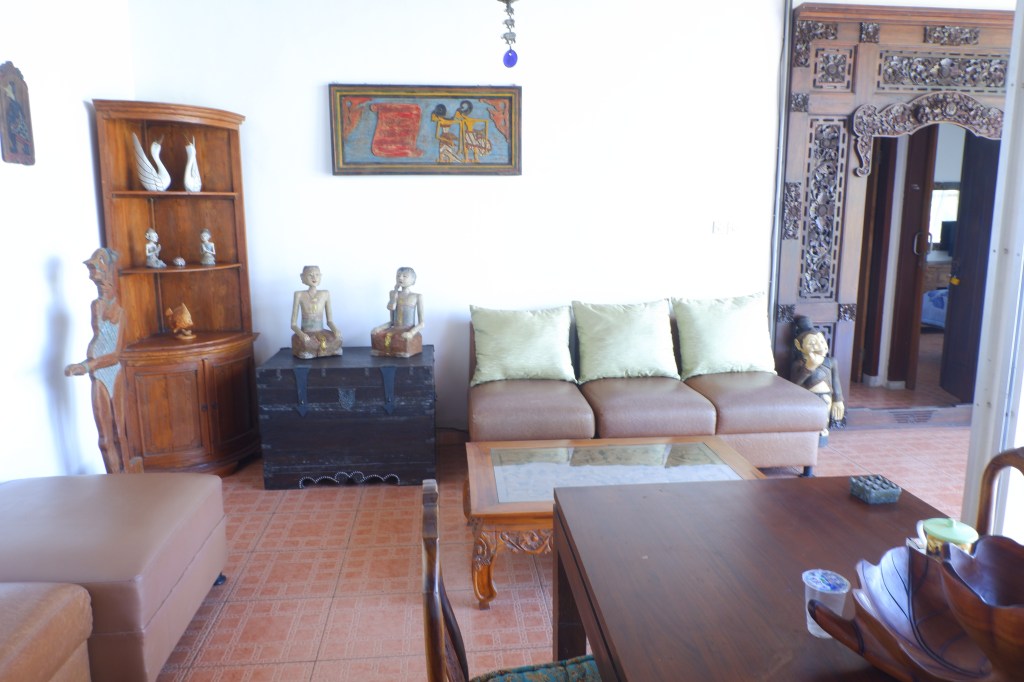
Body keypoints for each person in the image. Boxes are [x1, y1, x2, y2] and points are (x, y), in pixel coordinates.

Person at [65, 248, 142, 473]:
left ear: (111, 280)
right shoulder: (96, 307)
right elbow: (98, 339)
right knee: (104, 439)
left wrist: (86, 365)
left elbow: (115, 354)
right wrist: (88, 366)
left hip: (112, 371)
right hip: (97, 375)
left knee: (118, 432)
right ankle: (114, 479)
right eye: (98, 285)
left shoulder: (120, 312)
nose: (101, 289)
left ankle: (127, 476)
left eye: (104, 284)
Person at [790, 315, 846, 439]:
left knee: (824, 417)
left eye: (821, 341)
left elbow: (836, 382)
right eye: (812, 343)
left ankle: (822, 431)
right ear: (799, 346)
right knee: (808, 416)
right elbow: (794, 386)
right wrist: (809, 367)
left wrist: (838, 399)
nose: (820, 346)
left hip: (826, 397)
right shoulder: (798, 364)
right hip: (806, 397)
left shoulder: (831, 362)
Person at [290, 265, 343, 358]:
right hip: (306, 332)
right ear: (302, 277)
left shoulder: (325, 294)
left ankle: (327, 350)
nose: (314, 278)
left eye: (317, 275)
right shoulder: (299, 295)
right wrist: (301, 334)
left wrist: (335, 329)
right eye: (310, 275)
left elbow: (329, 321)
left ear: (320, 276)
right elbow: (293, 324)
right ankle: (313, 351)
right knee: (306, 342)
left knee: (338, 339)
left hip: (321, 331)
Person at [371, 266, 424, 357]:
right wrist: (379, 328)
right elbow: (392, 318)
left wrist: (411, 333)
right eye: (398, 276)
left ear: (413, 280)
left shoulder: (417, 296)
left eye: (404, 276)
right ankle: (385, 352)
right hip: (395, 328)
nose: (400, 278)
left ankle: (401, 352)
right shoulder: (393, 293)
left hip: (408, 329)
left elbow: (422, 324)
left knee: (401, 337)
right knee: (376, 334)